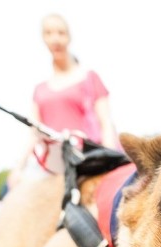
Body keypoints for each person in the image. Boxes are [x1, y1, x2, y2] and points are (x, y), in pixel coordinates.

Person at [10, 13, 118, 187]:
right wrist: (19, 168)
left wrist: (111, 162)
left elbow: (106, 123)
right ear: (43, 38)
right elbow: (33, 134)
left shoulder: (89, 78)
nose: (55, 39)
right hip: (53, 170)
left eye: (61, 33)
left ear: (69, 37)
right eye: (49, 33)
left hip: (87, 164)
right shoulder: (40, 90)